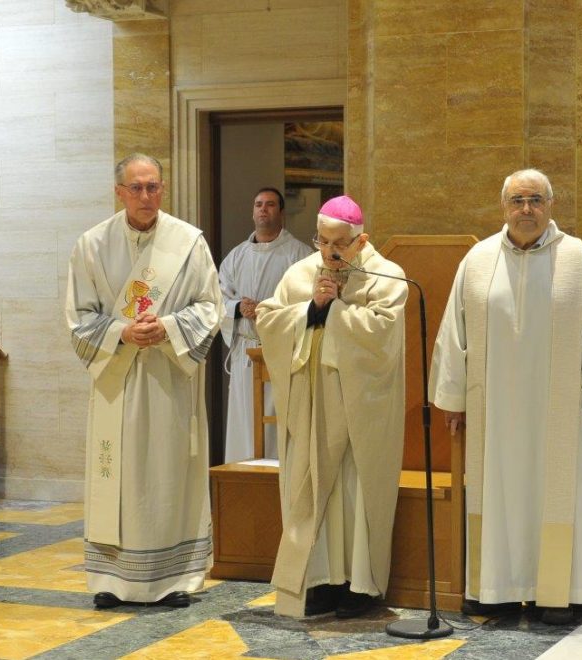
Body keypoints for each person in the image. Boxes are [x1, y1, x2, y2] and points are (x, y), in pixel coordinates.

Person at [429, 168, 582, 625]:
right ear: (504, 206)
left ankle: (558, 592)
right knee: (496, 492)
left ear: (550, 206)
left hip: (560, 408)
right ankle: (495, 589)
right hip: (493, 409)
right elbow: (453, 332)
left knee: (557, 491)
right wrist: (454, 396)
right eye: (518, 200)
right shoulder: (478, 260)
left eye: (535, 200)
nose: (526, 209)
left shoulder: (577, 258)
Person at [65, 153, 223, 610]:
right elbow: (78, 316)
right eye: (136, 188)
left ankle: (175, 579)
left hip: (168, 379)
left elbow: (210, 306)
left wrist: (168, 328)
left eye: (153, 186)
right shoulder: (92, 245)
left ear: (163, 188)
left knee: (168, 473)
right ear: (119, 192)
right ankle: (112, 580)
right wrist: (122, 333)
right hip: (116, 381)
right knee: (117, 476)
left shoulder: (188, 243)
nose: (146, 196)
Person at [254, 195, 408, 619]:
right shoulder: (300, 273)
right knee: (313, 485)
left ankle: (361, 585)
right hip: (311, 406)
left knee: (355, 491)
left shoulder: (386, 277)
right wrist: (312, 308)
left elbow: (382, 335)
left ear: (362, 240)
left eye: (339, 243)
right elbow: (268, 319)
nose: (329, 251)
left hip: (361, 409)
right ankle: (321, 580)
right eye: (322, 241)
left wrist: (335, 311)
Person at [218, 187, 313, 464]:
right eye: (258, 204)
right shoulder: (236, 256)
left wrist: (269, 313)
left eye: (270, 204)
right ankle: (242, 479)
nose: (263, 209)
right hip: (245, 355)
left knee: (277, 428)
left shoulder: (300, 255)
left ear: (281, 212)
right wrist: (238, 308)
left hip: (282, 353)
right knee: (244, 425)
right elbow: (217, 299)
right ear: (252, 212)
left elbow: (308, 305)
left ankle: (278, 482)